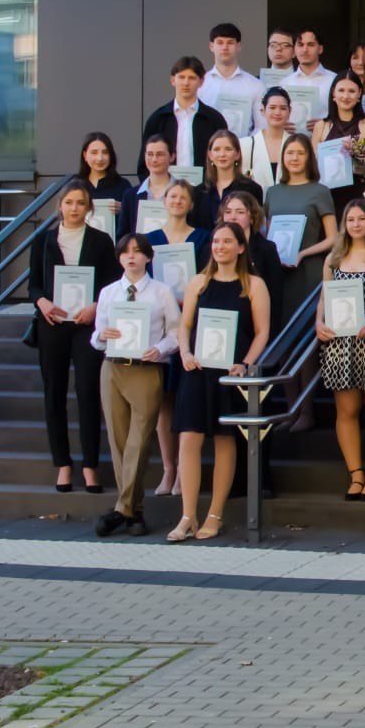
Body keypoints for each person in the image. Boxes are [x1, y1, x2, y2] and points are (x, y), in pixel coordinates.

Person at [170, 221, 271, 541]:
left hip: (230, 374)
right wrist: (185, 352)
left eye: (228, 241)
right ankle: (187, 516)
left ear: (241, 247)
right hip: (197, 370)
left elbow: (262, 333)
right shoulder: (198, 282)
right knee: (188, 439)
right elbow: (184, 326)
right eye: (216, 241)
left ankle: (215, 514)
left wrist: (245, 364)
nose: (220, 246)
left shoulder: (254, 284)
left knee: (225, 441)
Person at [29, 179, 122, 494]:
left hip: (86, 325)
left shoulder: (100, 240)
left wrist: (96, 307)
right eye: (69, 202)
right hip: (52, 324)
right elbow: (33, 285)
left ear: (89, 207)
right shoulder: (43, 240)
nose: (74, 208)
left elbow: (111, 283)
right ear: (60, 205)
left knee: (87, 393)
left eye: (80, 203)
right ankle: (63, 465)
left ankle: (90, 466)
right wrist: (41, 302)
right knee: (53, 393)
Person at [91, 234, 180, 537]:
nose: (131, 257)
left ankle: (121, 509)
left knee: (139, 441)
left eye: (138, 252)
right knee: (118, 442)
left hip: (146, 368)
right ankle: (134, 512)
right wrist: (103, 336)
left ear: (148, 258)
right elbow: (95, 335)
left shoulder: (161, 292)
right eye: (126, 252)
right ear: (119, 258)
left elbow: (177, 333)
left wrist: (162, 348)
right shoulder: (108, 292)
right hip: (112, 367)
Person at [145, 179, 208, 494]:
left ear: (191, 204)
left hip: (191, 323)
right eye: (173, 195)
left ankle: (185, 472)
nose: (178, 200)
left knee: (185, 399)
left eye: (184, 197)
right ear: (164, 200)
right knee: (163, 400)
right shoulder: (149, 240)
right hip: (159, 325)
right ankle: (168, 470)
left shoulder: (203, 238)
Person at [318, 199, 365, 501]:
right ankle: (356, 473)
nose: (356, 224)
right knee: (347, 410)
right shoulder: (333, 259)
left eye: (361, 219)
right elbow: (323, 300)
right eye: (350, 219)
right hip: (340, 343)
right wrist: (319, 323)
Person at [266, 133, 339, 326]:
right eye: (290, 153)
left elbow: (333, 238)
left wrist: (301, 254)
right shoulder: (272, 192)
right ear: (283, 157)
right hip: (278, 271)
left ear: (309, 157)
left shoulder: (320, 191)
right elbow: (267, 234)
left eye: (301, 153)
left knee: (304, 326)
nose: (295, 158)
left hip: (308, 269)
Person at [314, 70, 365, 214]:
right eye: (341, 90)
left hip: (359, 197)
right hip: (328, 199)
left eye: (351, 91)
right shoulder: (321, 126)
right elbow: (313, 168)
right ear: (333, 93)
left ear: (359, 94)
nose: (345, 96)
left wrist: (362, 169)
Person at [137, 56, 227, 178]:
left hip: (205, 191)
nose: (186, 83)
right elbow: (144, 163)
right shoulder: (158, 119)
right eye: (181, 77)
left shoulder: (214, 119)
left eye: (192, 78)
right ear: (173, 80)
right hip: (167, 192)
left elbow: (224, 159)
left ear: (201, 82)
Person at [197, 23, 263, 137]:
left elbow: (261, 127)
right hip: (208, 152)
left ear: (239, 46)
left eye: (230, 42)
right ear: (211, 46)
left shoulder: (256, 85)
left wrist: (245, 147)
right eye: (220, 42)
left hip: (245, 151)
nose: (225, 47)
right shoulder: (199, 84)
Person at [192, 129, 262, 229]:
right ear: (210, 155)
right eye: (217, 149)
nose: (222, 154)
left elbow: (255, 226)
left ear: (237, 154)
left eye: (228, 149)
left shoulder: (252, 189)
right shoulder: (199, 192)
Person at [77, 131, 132, 240]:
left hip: (114, 249)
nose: (100, 158)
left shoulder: (123, 185)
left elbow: (134, 221)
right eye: (94, 152)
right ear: (85, 155)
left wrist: (124, 209)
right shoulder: (76, 185)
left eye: (105, 152)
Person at [240, 87, 292, 194]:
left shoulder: (296, 145)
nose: (277, 112)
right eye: (272, 107)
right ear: (263, 111)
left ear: (289, 111)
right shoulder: (246, 145)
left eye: (283, 108)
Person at [128, 134, 176, 237]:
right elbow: (124, 235)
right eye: (150, 154)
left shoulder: (185, 193)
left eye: (160, 154)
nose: (154, 159)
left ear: (172, 157)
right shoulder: (130, 195)